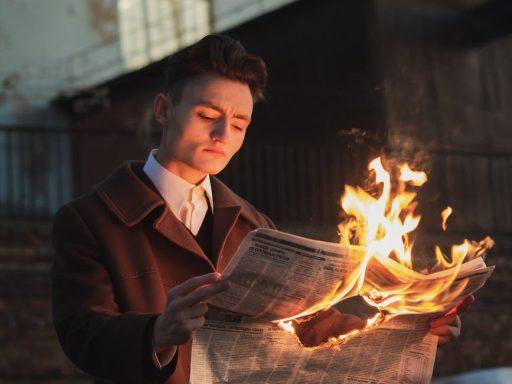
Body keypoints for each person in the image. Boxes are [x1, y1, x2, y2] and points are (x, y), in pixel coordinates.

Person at [51, 34, 466, 384]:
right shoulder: (90, 219)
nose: (222, 135)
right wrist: (157, 332)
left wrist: (408, 331)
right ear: (163, 109)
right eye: (207, 115)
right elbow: (81, 334)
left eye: (239, 124)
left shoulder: (253, 225)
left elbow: (307, 324)